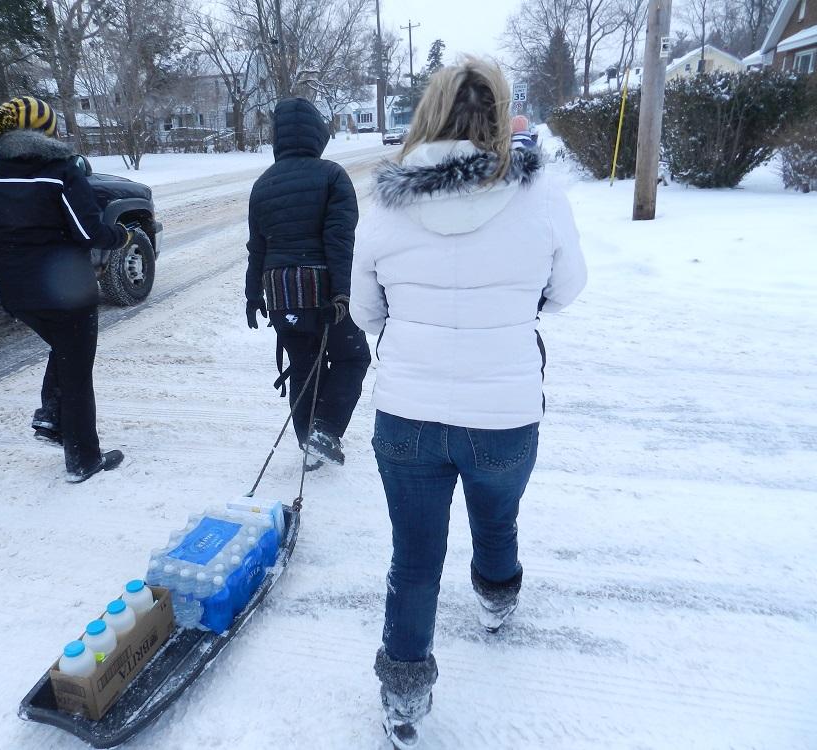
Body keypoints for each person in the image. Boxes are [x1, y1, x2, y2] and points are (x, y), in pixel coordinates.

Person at [350, 58, 587, 748]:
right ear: (502, 115)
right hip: (504, 413)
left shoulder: (385, 205)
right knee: (496, 515)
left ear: (428, 113)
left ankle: (402, 697)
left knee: (415, 557)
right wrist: (520, 301)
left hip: (407, 416)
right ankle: (495, 597)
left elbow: (366, 310)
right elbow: (567, 288)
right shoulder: (541, 197)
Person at [0, 97, 128, 483]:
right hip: (66, 292)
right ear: (46, 131)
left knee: (63, 350)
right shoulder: (61, 173)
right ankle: (83, 460)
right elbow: (88, 231)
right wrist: (121, 234)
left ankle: (52, 419)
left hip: (18, 294)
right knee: (77, 369)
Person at [244, 98, 371, 469]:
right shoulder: (332, 175)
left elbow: (257, 247)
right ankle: (325, 430)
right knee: (352, 357)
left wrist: (253, 294)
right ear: (318, 134)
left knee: (304, 366)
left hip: (282, 293)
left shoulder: (263, 184)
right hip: (323, 289)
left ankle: (309, 444)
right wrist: (343, 293)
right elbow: (339, 239)